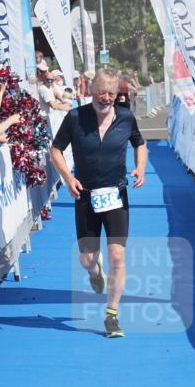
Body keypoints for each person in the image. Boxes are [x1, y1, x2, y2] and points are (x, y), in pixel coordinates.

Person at [50, 69, 147, 339]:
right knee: (87, 259)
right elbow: (55, 149)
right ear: (91, 91)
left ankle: (112, 315)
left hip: (115, 194)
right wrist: (68, 178)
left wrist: (140, 167)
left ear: (118, 94)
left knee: (118, 257)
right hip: (85, 195)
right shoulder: (76, 117)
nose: (106, 98)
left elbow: (140, 143)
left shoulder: (126, 117)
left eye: (112, 93)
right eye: (101, 92)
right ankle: (94, 270)